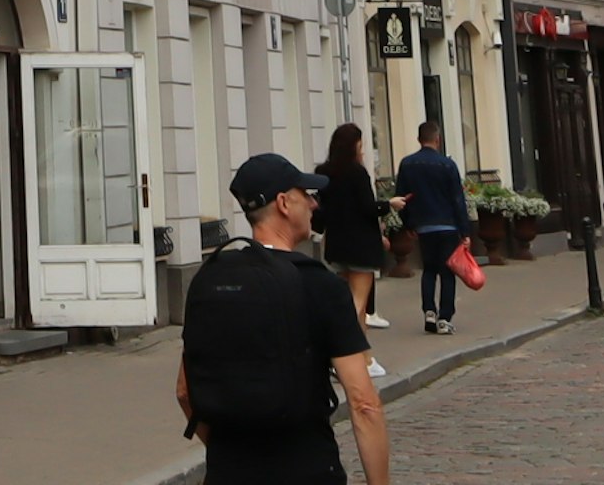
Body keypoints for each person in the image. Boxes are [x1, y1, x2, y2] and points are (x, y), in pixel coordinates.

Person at [178, 151, 392, 485]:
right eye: (306, 195)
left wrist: (229, 452)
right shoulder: (321, 285)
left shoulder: (212, 279)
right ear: (283, 203)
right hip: (307, 469)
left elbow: (184, 392)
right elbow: (364, 403)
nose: (314, 204)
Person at [394, 119, 473, 336]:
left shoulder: (407, 164)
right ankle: (444, 318)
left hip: (424, 226)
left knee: (428, 270)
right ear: (438, 139)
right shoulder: (447, 165)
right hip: (447, 225)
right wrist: (465, 231)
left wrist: (408, 223)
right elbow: (458, 199)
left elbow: (402, 197)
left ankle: (429, 310)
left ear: (419, 139)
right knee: (447, 272)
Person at [318, 122, 392, 333]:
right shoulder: (357, 173)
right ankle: (346, 352)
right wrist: (389, 205)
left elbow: (322, 209)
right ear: (354, 146)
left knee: (347, 301)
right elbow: (367, 208)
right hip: (361, 247)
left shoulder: (325, 173)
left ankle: (365, 358)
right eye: (360, 146)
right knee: (357, 304)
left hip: (336, 244)